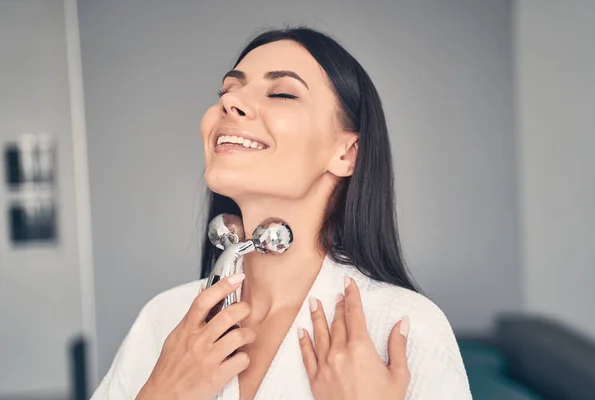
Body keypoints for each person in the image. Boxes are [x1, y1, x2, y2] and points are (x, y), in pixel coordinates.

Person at [91, 26, 472, 400]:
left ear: (347, 153)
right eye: (227, 90)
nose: (229, 103)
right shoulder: (164, 319)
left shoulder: (401, 327)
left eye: (282, 93)